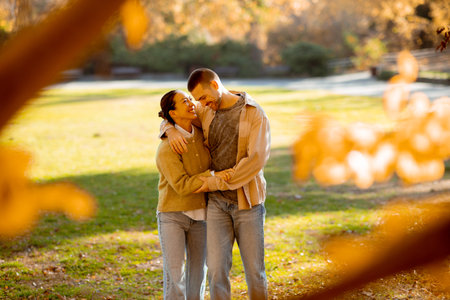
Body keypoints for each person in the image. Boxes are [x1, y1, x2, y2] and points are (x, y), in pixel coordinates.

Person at [162, 68, 271, 300]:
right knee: (216, 273)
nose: (199, 104)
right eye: (196, 100)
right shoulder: (206, 111)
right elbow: (176, 117)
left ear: (214, 84)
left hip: (247, 203)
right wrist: (169, 130)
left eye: (202, 97)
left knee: (255, 272)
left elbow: (256, 159)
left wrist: (218, 182)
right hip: (217, 206)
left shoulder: (254, 113)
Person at [156, 89, 233, 300]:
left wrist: (169, 128)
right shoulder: (167, 148)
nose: (191, 103)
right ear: (173, 113)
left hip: (202, 216)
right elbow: (181, 186)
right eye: (184, 101)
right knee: (175, 275)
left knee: (198, 274)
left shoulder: (202, 134)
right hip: (173, 215)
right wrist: (213, 177)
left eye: (190, 99)